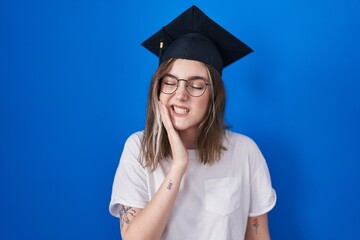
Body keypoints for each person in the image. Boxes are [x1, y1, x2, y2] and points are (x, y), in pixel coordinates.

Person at [109, 5, 276, 240]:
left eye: (196, 85)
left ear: (214, 97)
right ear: (157, 90)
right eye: (170, 82)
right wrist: (179, 165)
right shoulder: (138, 149)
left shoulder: (245, 153)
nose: (180, 94)